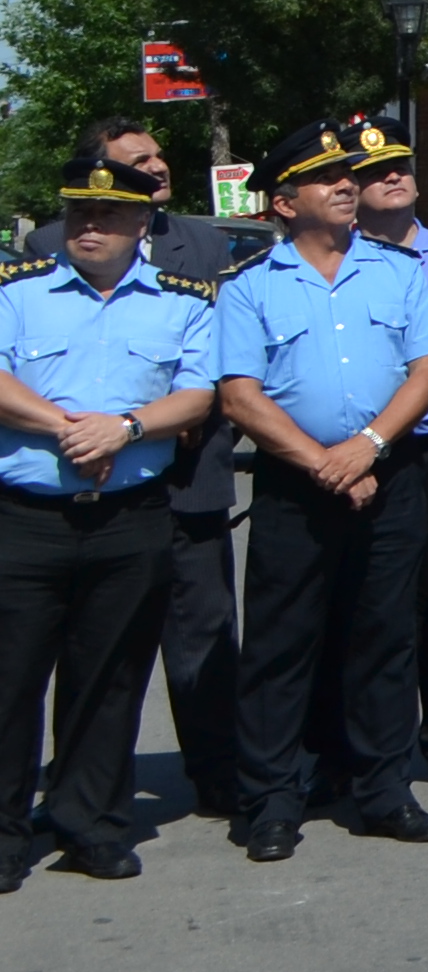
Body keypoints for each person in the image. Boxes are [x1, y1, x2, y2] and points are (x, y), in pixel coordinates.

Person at [212, 122, 428, 860]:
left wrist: (368, 446)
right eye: (326, 179)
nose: (347, 185)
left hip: (388, 474)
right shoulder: (250, 286)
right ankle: (273, 800)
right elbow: (239, 395)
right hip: (298, 486)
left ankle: (383, 790)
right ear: (284, 204)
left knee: (385, 638)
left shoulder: (396, 270)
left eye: (348, 176)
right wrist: (322, 460)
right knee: (283, 646)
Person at [1, 154, 228, 882]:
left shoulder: (183, 299)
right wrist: (72, 427)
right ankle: (5, 833)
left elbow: (196, 397)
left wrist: (123, 430)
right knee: (9, 681)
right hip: (26, 516)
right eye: (76, 214)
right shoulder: (16, 292)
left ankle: (90, 822)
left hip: (131, 517)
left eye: (105, 216)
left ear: (141, 223)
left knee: (110, 679)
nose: (87, 226)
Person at [44, 115, 268, 830]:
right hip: (92, 475)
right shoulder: (54, 246)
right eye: (136, 159)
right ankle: (74, 786)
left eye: (159, 155)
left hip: (191, 476)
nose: (157, 164)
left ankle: (217, 770)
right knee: (87, 646)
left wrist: (196, 414)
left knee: (201, 633)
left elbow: (229, 349)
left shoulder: (206, 242)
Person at [337, 117, 428, 797]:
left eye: (398, 165)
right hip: (362, 454)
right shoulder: (339, 264)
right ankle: (354, 751)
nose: (390, 177)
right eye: (371, 173)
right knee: (367, 607)